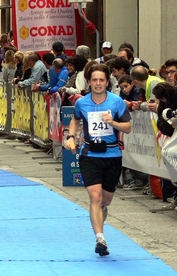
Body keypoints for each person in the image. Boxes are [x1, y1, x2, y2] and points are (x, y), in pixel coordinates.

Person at [64, 63, 131, 256]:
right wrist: (70, 137)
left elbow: (128, 127)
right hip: (89, 155)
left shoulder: (116, 102)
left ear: (107, 82)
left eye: (101, 80)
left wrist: (114, 123)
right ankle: (100, 238)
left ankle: (102, 211)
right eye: (94, 80)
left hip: (112, 155)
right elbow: (75, 119)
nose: (98, 83)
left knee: (106, 199)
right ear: (89, 82)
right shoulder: (82, 103)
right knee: (95, 196)